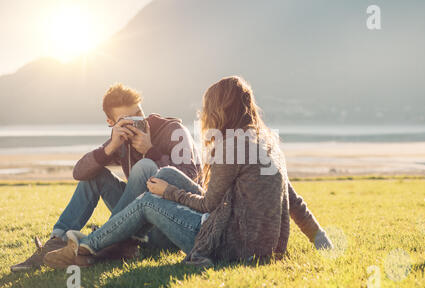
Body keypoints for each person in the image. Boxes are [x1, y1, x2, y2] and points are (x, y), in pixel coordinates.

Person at [44, 76, 332, 269]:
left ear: (220, 109)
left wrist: (167, 193)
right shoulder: (266, 143)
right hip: (255, 242)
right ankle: (102, 241)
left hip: (228, 244)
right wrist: (321, 239)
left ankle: (86, 248)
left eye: (208, 107)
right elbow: (293, 200)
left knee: (147, 200)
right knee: (165, 173)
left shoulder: (232, 146)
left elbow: (208, 205)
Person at [10, 83, 202, 272]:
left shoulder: (174, 131)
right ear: (111, 122)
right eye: (127, 119)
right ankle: (56, 242)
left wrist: (150, 150)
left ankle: (103, 243)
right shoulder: (121, 139)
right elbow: (79, 173)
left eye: (138, 114)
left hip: (170, 227)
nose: (136, 123)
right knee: (95, 174)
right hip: (137, 223)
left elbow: (190, 179)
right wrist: (110, 147)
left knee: (145, 167)